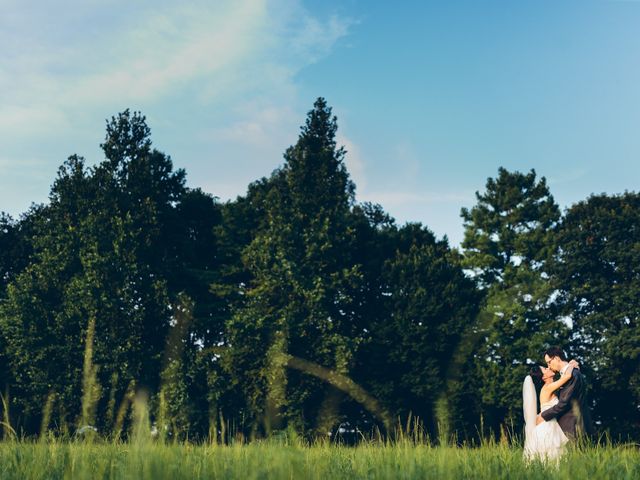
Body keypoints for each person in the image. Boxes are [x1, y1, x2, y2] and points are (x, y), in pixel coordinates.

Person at [522, 361, 576, 461]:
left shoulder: (551, 386)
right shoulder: (547, 388)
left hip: (551, 424)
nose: (548, 368)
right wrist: (571, 365)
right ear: (544, 377)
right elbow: (567, 376)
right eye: (545, 369)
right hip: (547, 427)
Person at [536, 346, 593, 440]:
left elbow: (563, 403)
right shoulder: (567, 374)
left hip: (572, 427)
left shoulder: (573, 375)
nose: (548, 366)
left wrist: (543, 415)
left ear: (556, 358)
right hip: (565, 429)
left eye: (549, 362)